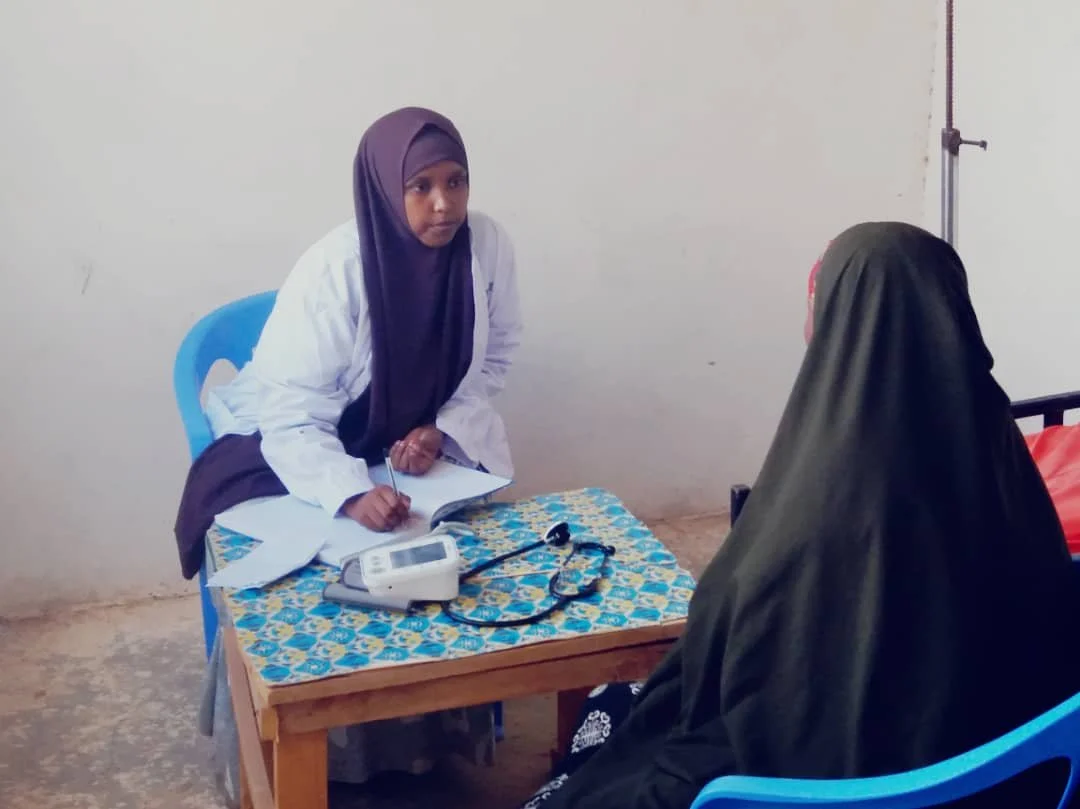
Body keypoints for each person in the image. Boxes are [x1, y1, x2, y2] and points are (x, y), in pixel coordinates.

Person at [520, 221, 1080, 809]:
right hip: (1007, 776)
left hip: (823, 790)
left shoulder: (820, 503)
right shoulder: (1004, 466)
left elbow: (737, 661)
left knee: (617, 716)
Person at [173, 106, 522, 797]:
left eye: (456, 181)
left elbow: (496, 355)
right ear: (384, 189)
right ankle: (315, 752)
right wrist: (348, 491)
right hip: (292, 441)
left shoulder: (485, 245)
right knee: (325, 572)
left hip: (402, 442)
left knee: (450, 554)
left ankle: (427, 737)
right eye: (420, 186)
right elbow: (290, 411)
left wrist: (440, 427)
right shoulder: (336, 269)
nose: (444, 204)